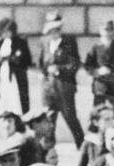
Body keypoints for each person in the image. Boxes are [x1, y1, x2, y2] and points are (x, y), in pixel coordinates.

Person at [38, 12, 83, 148]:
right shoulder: (45, 43)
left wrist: (59, 69)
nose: (53, 33)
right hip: (48, 87)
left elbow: (75, 64)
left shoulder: (69, 42)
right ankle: (49, 150)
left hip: (64, 86)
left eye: (56, 30)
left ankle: (81, 145)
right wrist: (44, 73)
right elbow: (41, 63)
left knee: (70, 117)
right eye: (51, 30)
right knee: (49, 119)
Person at [0, 18, 32, 114]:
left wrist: (10, 59)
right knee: (4, 98)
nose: (4, 34)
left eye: (7, 31)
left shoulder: (20, 42)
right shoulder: (0, 43)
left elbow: (27, 60)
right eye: (3, 32)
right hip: (3, 76)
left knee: (17, 99)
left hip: (16, 76)